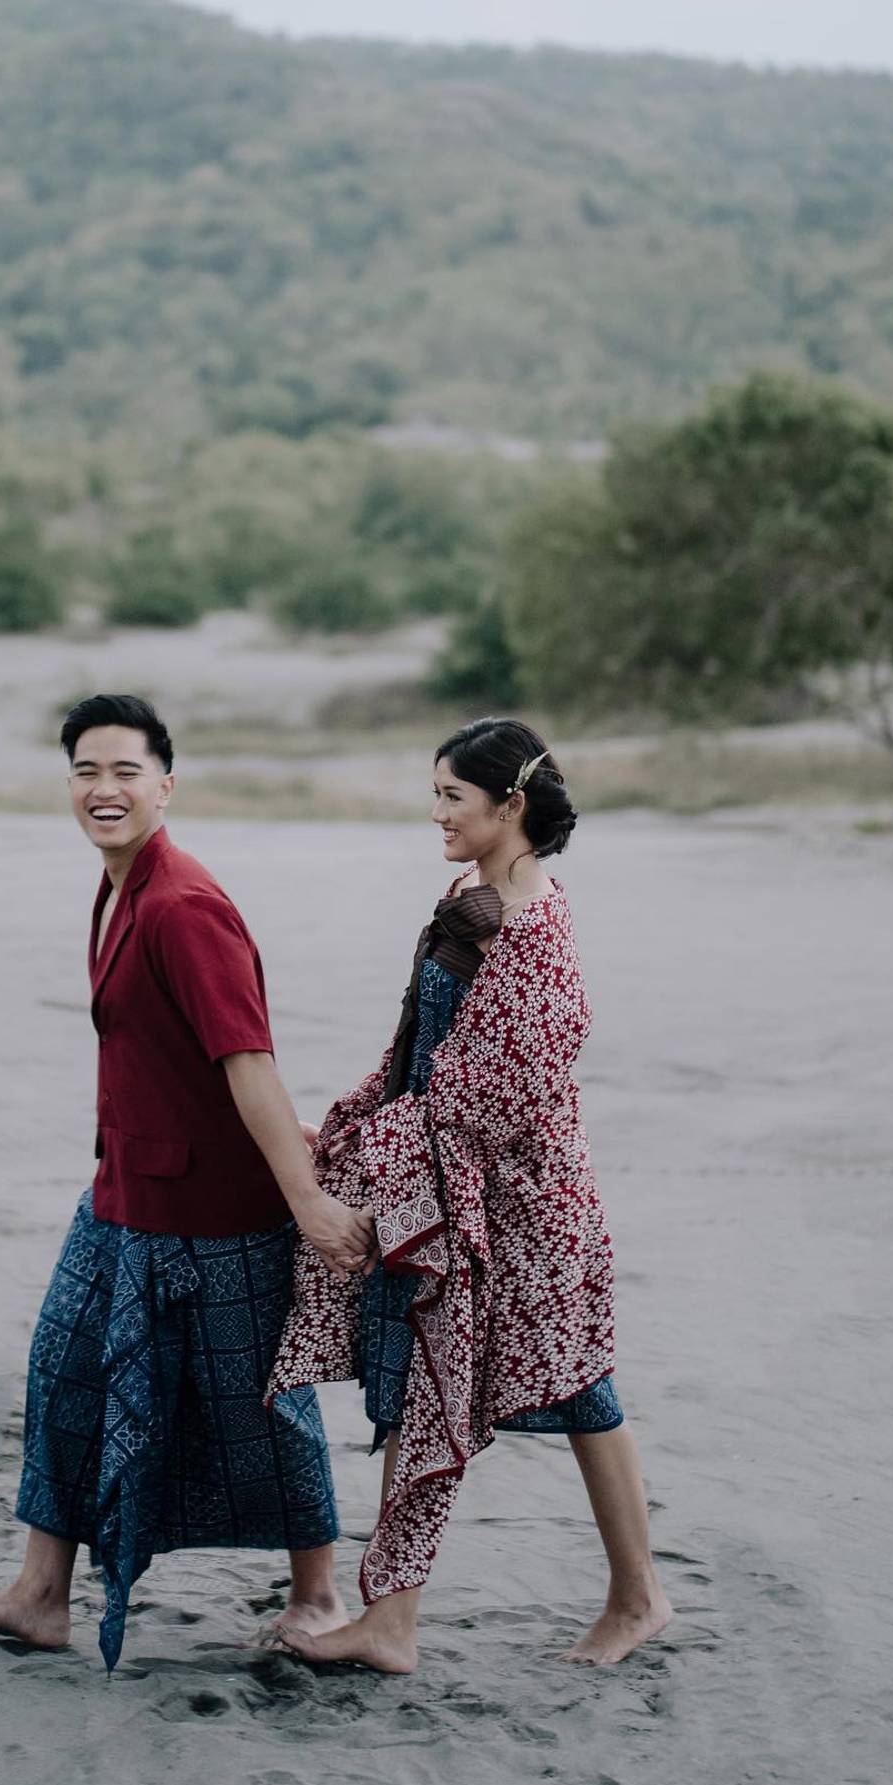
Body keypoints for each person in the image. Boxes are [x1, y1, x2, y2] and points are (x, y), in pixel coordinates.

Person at [0, 693, 373, 1669]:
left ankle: (321, 1596)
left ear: (165, 786)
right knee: (63, 1371)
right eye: (86, 770)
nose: (103, 788)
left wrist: (308, 1199)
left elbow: (245, 1059)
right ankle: (41, 1593)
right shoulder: (118, 885)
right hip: (124, 1193)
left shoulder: (183, 904)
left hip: (215, 1212)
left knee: (261, 1400)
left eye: (126, 770)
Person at [266, 716, 671, 1674]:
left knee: (577, 1389)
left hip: (526, 1209)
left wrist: (381, 1146)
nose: (437, 813)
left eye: (454, 796)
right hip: (449, 1193)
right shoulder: (471, 897)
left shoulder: (538, 938)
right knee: (428, 1376)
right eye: (435, 794)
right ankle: (391, 1620)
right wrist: (355, 1117)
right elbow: (416, 1049)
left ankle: (638, 1599)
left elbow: (489, 1101)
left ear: (512, 806)